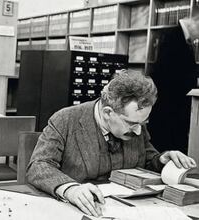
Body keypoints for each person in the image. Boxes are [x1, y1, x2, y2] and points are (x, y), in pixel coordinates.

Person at [26, 70, 197, 217]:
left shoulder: (136, 123)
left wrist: (161, 161)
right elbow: (39, 166)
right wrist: (70, 189)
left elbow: (146, 159)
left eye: (143, 123)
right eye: (131, 124)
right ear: (108, 112)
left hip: (127, 210)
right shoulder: (66, 120)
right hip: (76, 210)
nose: (138, 131)